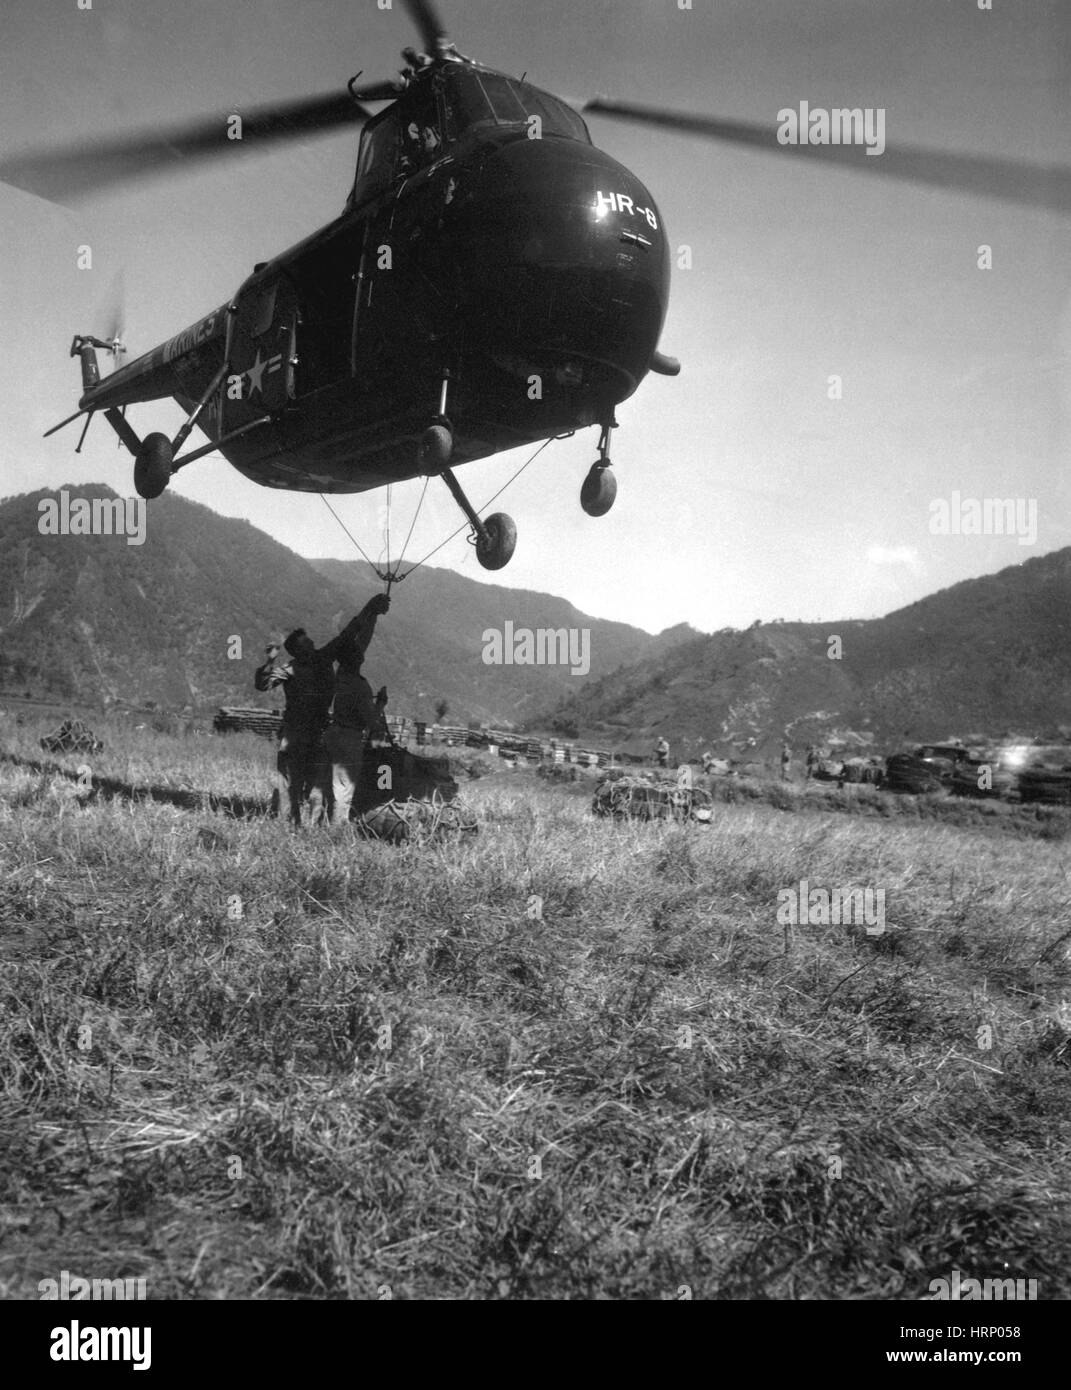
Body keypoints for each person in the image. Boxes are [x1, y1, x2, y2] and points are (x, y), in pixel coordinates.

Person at [255, 597, 388, 825]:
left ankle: (301, 825)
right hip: (300, 732)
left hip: (314, 732)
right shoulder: (299, 666)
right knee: (297, 782)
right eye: (307, 643)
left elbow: (348, 633)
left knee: (310, 783)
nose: (312, 644)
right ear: (298, 650)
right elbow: (263, 684)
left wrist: (370, 610)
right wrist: (269, 662)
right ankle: (294, 824)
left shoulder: (309, 663)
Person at [320, 595, 391, 825]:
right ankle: (336, 833)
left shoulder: (341, 675)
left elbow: (359, 639)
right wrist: (380, 704)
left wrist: (372, 613)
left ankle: (318, 823)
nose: (362, 652)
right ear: (357, 659)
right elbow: (372, 723)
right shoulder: (361, 687)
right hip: (350, 738)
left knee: (327, 785)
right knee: (344, 790)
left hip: (333, 733)